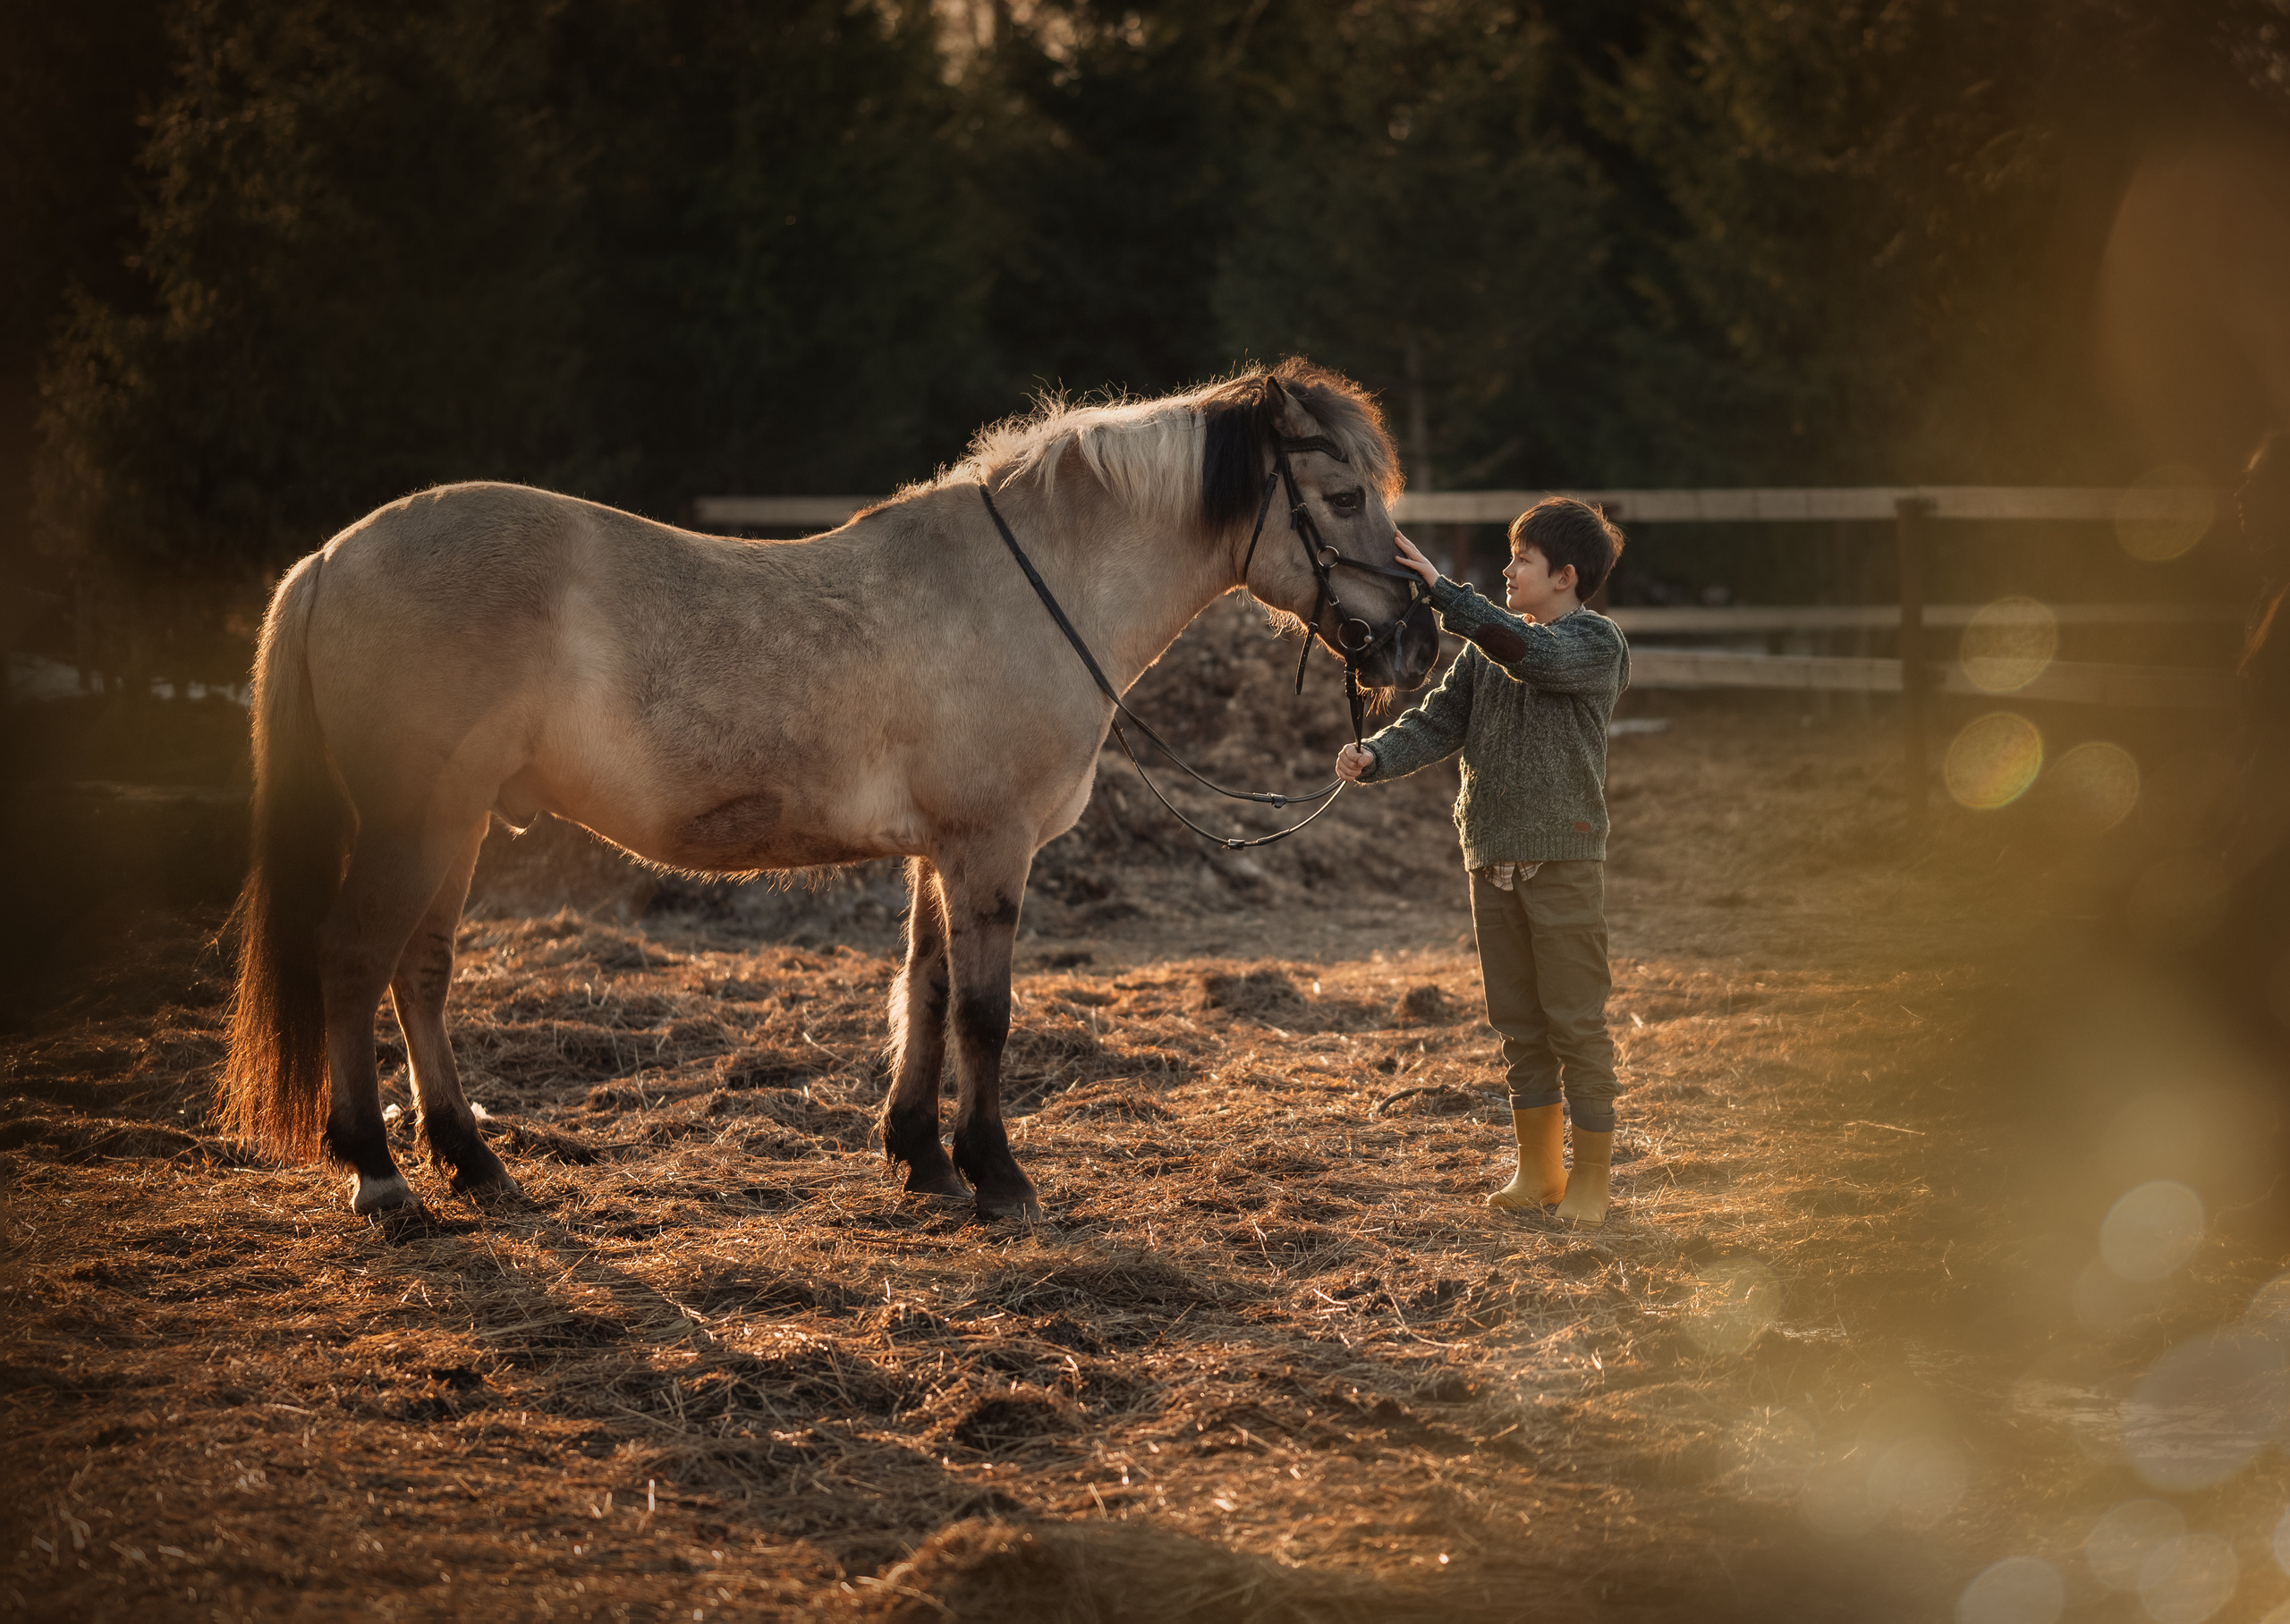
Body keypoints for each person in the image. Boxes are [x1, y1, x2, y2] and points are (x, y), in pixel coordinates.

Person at [1336, 498, 1631, 1225]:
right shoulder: (1485, 651)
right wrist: (1376, 755)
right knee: (1519, 1025)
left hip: (1559, 862)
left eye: (1522, 559)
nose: (1507, 569)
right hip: (1490, 860)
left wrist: (1445, 594)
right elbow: (1440, 722)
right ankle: (1539, 1174)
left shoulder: (1594, 645)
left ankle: (1591, 1180)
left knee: (1576, 1023)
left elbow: (1534, 658)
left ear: (1565, 577)